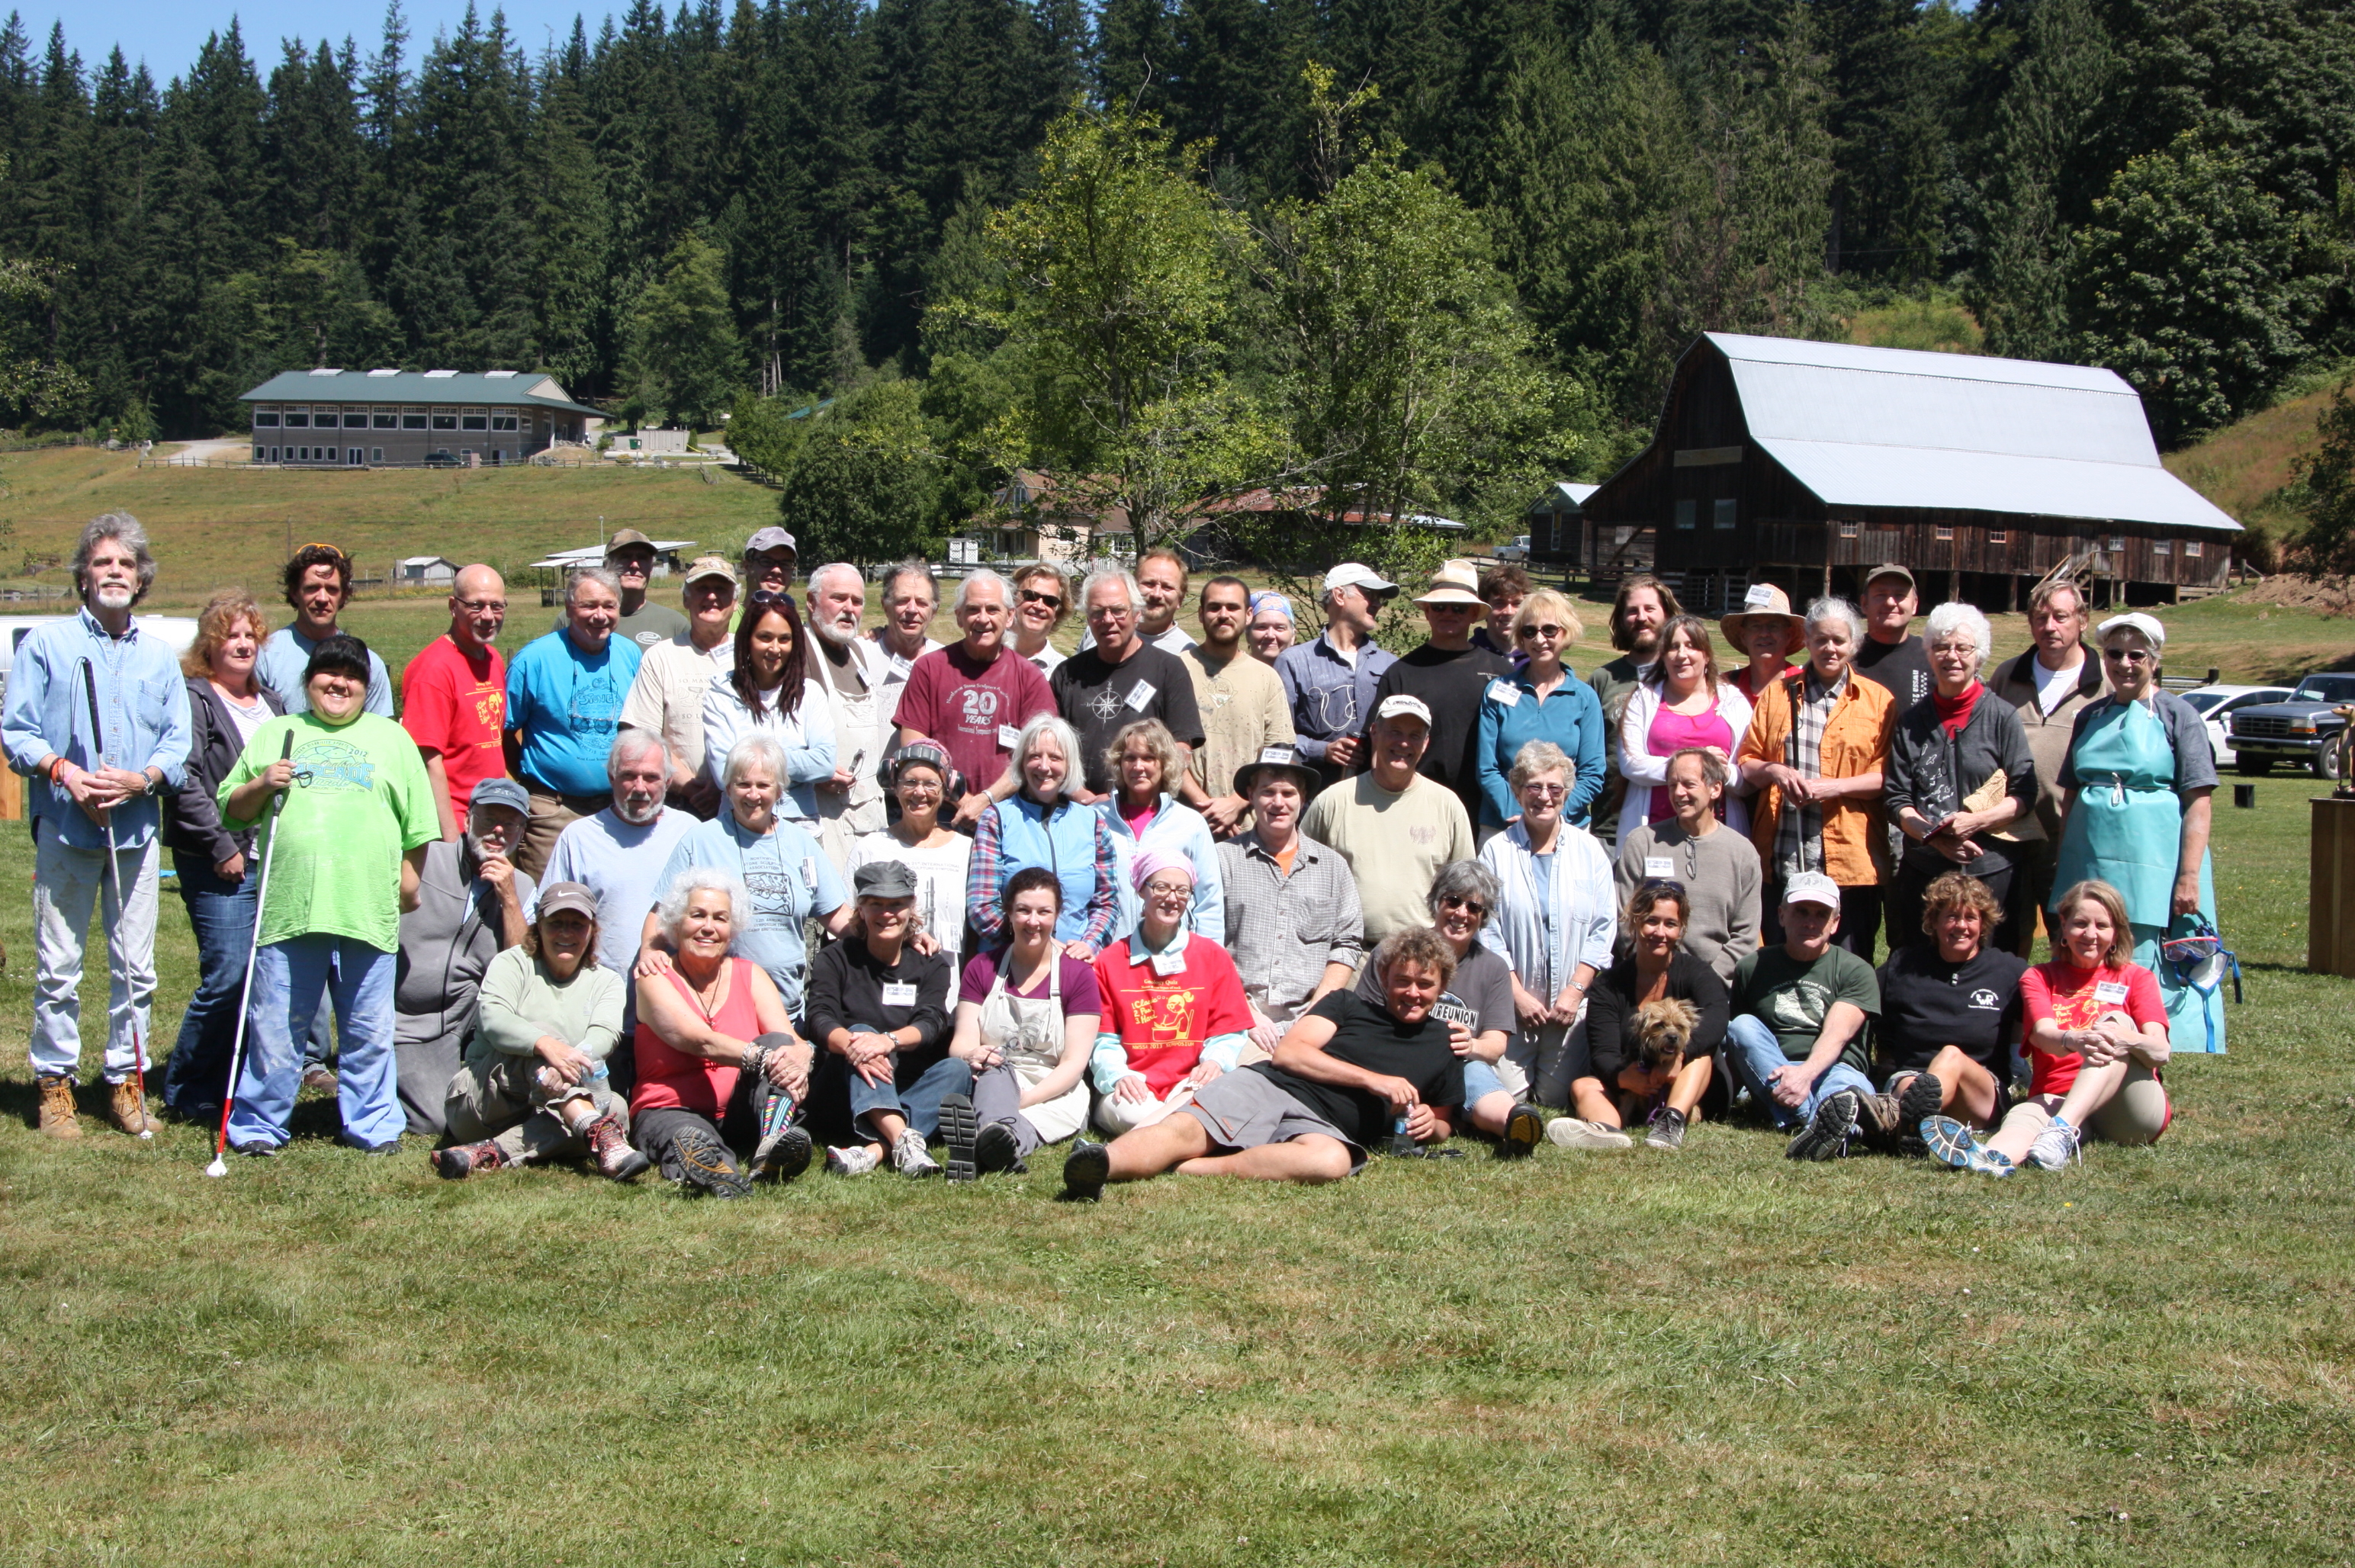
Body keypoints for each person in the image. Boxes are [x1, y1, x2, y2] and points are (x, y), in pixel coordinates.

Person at [5, 513, 192, 1137]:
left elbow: (177, 744)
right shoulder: (47, 647)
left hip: (135, 832)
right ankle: (55, 1085)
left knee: (136, 967)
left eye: (126, 565)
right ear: (84, 576)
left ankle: (124, 1080)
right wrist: (64, 772)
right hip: (66, 825)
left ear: (141, 581)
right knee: (59, 965)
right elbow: (15, 732)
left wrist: (142, 781)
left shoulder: (161, 660)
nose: (115, 572)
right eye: (103, 562)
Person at [217, 633, 436, 1154]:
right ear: (308, 680)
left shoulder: (392, 739)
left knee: (368, 1028)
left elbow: (419, 827)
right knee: (276, 1026)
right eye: (328, 674)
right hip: (291, 906)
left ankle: (372, 1125)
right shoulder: (279, 733)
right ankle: (257, 1127)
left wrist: (408, 885)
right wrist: (262, 783)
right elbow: (233, 809)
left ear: (367, 686)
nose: (340, 683)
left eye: (352, 676)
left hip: (366, 907)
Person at [1062, 926, 1466, 1194]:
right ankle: (1098, 1165)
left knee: (1331, 1161)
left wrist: (1433, 1125)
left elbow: (1445, 1119)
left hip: (1325, 1128)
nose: (1412, 992)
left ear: (1442, 985)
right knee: (1184, 1130)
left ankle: (1193, 1168)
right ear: (1385, 977)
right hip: (1272, 1087)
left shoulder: (1445, 1044)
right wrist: (1372, 1080)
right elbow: (1290, 1053)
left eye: (1425, 984)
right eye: (1402, 980)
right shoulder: (1347, 1005)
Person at [2051, 612, 2225, 1053]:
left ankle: (2154, 1034)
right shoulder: (2090, 715)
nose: (2125, 663)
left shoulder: (2179, 716)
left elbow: (2199, 799)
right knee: (2088, 935)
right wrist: (2062, 853)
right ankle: (2086, 1025)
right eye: (2114, 654)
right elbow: (2070, 791)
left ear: (2154, 659)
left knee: (2147, 941)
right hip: (2088, 853)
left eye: (2136, 654)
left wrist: (2187, 875)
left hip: (2156, 857)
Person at [1925, 879, 2171, 1175]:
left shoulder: (2136, 978)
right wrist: (2075, 1039)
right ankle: (1990, 1157)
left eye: (2102, 926)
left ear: (2116, 931)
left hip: (2128, 1109)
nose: (2090, 934)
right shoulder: (2039, 977)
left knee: (2114, 1024)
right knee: (2022, 1116)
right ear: (2064, 926)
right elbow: (2043, 1034)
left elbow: (2160, 1051)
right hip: (2057, 1096)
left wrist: (2125, 1040)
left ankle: (2061, 1131)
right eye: (2080, 923)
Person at [159, 590, 286, 1125]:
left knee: (264, 976)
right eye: (230, 635)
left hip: (273, 857)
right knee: (228, 974)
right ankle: (187, 1085)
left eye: (250, 635)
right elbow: (183, 780)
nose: (242, 644)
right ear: (209, 645)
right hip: (219, 859)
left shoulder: (274, 703)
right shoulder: (194, 699)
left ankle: (238, 1079)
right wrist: (221, 846)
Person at [430, 882, 646, 1182]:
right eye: (556, 923)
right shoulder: (511, 963)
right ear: (539, 926)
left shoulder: (606, 981)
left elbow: (606, 1033)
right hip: (482, 1102)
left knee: (617, 1109)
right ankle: (595, 1133)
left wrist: (569, 1059)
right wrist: (546, 1045)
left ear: (592, 930)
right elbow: (494, 1020)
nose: (566, 933)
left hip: (552, 1105)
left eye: (577, 924)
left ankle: (485, 1153)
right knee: (541, 1037)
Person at [646, 732, 852, 1022]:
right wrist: (649, 952)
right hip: (718, 1010)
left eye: (763, 785)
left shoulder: (801, 843)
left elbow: (838, 915)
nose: (753, 794)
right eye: (743, 784)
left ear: (780, 791)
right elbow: (660, 913)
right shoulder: (700, 840)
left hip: (789, 1009)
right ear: (728, 789)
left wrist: (896, 938)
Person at [629, 865, 809, 1196]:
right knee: (688, 1135)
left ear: (733, 928)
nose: (708, 927)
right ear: (676, 922)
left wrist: (800, 1055)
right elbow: (698, 1040)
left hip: (740, 1112)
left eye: (720, 918)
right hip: (670, 1109)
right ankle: (715, 1169)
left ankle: (772, 1144)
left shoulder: (750, 974)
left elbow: (789, 1039)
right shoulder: (654, 975)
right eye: (697, 915)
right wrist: (763, 1059)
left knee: (779, 1043)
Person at [1735, 596, 1895, 956]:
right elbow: (1748, 762)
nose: (1830, 648)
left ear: (1853, 645)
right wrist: (1774, 770)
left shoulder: (1877, 701)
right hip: (1784, 852)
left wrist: (1835, 787)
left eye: (1839, 640)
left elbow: (1887, 778)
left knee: (1849, 962)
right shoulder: (1778, 694)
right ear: (1807, 641)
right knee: (1780, 959)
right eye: (1821, 639)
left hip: (1850, 858)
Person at [1473, 741, 1615, 1146]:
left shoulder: (1590, 851)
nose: (1544, 796)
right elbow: (1489, 930)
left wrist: (1574, 993)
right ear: (1517, 790)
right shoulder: (1496, 851)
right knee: (1511, 1094)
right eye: (1533, 786)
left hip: (1568, 1010)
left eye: (1554, 787)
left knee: (1555, 1096)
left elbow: (1604, 928)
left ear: (1567, 792)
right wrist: (1515, 995)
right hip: (1513, 1010)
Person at [1884, 602, 2037, 953]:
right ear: (1930, 654)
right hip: (1925, 870)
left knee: (1994, 967)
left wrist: (1976, 821)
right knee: (1921, 963)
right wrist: (1934, 838)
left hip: (1993, 870)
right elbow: (1896, 800)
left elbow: (2026, 791)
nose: (1951, 656)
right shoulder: (1911, 722)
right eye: (1941, 647)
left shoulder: (2002, 717)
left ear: (1979, 656)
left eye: (1962, 647)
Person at [936, 868, 1102, 1180]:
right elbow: (961, 1042)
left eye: (1044, 911)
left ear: (1058, 914)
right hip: (993, 1076)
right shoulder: (981, 968)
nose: (1033, 921)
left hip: (1053, 1088)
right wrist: (974, 1056)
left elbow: (1074, 1063)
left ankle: (990, 1138)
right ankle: (1000, 1138)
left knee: (1029, 1120)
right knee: (997, 1068)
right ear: (1009, 913)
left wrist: (1023, 1101)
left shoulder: (1078, 975)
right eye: (1023, 910)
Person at [391, 777, 535, 1135]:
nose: (498, 832)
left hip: (470, 1021)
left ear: (522, 831)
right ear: (468, 820)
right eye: (488, 820)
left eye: (510, 823)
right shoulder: (422, 858)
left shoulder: (525, 886)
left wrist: (509, 898)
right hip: (409, 1021)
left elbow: (522, 967)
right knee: (437, 1121)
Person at [808, 860, 959, 1177]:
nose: (887, 913)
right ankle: (904, 1141)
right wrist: (857, 1046)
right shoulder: (835, 957)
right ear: (860, 909)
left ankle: (874, 1151)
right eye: (876, 904)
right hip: (843, 1089)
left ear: (911, 907)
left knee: (957, 1068)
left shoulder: (931, 965)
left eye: (896, 904)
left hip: (905, 1081)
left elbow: (932, 1023)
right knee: (860, 1033)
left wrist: (887, 1041)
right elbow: (819, 1019)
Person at [1086, 850, 1254, 1135]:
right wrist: (1119, 1075)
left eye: (1182, 890)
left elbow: (1228, 1030)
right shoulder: (1109, 961)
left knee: (1212, 1098)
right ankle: (1174, 1128)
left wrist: (1214, 1062)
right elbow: (1102, 1039)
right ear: (1141, 889)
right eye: (1161, 887)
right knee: (1135, 1115)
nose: (1172, 898)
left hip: (1191, 1081)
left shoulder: (1213, 956)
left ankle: (1161, 1132)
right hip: (1135, 1084)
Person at [1553, 881, 1729, 1152]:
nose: (1660, 932)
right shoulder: (1609, 984)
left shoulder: (1696, 972)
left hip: (1688, 1083)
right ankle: (1607, 1131)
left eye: (1670, 924)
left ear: (1681, 930)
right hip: (1630, 1081)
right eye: (1651, 921)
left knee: (1702, 1055)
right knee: (1582, 1084)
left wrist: (1681, 1055)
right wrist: (1624, 1077)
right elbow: (1603, 1052)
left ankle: (1671, 1122)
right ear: (1635, 924)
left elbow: (1718, 1018)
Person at [541, 731, 699, 1024]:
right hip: (597, 1010)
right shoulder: (579, 837)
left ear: (667, 782)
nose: (639, 787)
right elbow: (546, 919)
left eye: (651, 777)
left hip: (675, 1009)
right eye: (629, 776)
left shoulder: (690, 833)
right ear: (612, 778)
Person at [1867, 870, 2027, 1155]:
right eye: (1951, 916)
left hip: (1979, 1091)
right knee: (1914, 1083)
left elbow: (2046, 1016)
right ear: (1934, 922)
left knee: (1951, 1056)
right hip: (1911, 1077)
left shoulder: (2008, 971)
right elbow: (1860, 1002)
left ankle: (1892, 1124)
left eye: (1971, 917)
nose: (1961, 926)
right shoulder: (1904, 965)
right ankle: (1915, 1123)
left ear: (1984, 923)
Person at [1987, 580, 2106, 956]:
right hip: (2010, 833)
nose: (2050, 627)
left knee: (2071, 935)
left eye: (2061, 616)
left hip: (2071, 835)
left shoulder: (2104, 683)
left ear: (2082, 620)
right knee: (2006, 935)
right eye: (2040, 618)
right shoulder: (2007, 676)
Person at [1726, 873, 1881, 1161]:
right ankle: (1828, 1125)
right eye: (1801, 911)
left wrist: (1805, 1076)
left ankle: (1811, 1121)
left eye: (1821, 914)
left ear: (1835, 923)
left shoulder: (1856, 970)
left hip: (1835, 1068)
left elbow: (1838, 1035)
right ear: (1782, 915)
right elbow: (1742, 1045)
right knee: (1742, 1026)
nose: (1810, 922)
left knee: (1842, 1090)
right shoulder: (1752, 967)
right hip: (1775, 1072)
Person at [1218, 749, 1363, 1055]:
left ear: (1304, 797)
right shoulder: (1222, 860)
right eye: (1268, 792)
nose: (1278, 802)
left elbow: (1347, 943)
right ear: (1251, 795)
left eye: (1288, 792)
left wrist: (1316, 1015)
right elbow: (1205, 945)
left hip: (1312, 1020)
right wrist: (1246, 1014)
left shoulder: (1333, 867)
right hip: (1238, 1020)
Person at [1299, 695, 1476, 945]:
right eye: (1394, 731)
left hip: (1422, 955)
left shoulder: (1448, 806)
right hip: (1346, 953)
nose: (1403, 743)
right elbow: (1300, 875)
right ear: (1374, 732)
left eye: (1415, 735)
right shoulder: (1332, 801)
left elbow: (1466, 890)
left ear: (1426, 743)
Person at [504, 566, 645, 878]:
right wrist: (533, 781)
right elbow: (506, 729)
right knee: (547, 905)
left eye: (609, 606)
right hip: (551, 811)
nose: (600, 615)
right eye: (589, 605)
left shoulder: (630, 655)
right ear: (569, 608)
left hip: (615, 807)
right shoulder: (534, 659)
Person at [896, 568, 1055, 828]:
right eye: (973, 610)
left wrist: (987, 802)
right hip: (940, 815)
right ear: (959, 617)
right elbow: (915, 747)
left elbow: (1039, 754)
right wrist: (962, 800)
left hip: (1009, 816)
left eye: (993, 610)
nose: (983, 619)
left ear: (1010, 616)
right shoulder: (929, 669)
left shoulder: (1030, 677)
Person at [967, 715, 1121, 958]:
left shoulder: (1092, 823)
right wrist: (1037, 947)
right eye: (1035, 756)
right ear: (1021, 762)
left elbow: (1107, 902)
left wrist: (1090, 944)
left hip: (1075, 964)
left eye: (1055, 757)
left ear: (1069, 764)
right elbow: (981, 905)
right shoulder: (996, 818)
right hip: (1009, 962)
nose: (1044, 766)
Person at [1049, 567, 1207, 803]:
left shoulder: (1168, 669)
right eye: (1097, 612)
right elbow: (1051, 746)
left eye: (1118, 610)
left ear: (1137, 613)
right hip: (1076, 809)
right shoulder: (1067, 673)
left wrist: (1125, 795)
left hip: (1144, 810)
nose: (1108, 620)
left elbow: (1180, 749)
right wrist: (1081, 795)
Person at [1372, 558, 1511, 826]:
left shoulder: (1501, 672)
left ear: (1473, 613)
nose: (1448, 612)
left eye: (1459, 607)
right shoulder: (1401, 671)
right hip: (1414, 806)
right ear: (1427, 612)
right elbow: (1378, 745)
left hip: (1483, 808)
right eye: (1439, 606)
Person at [1614, 748, 1762, 986]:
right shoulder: (1642, 842)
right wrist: (1653, 972)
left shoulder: (1742, 853)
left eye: (1689, 784)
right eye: (1672, 785)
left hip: (1716, 988)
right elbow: (1624, 918)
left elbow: (1746, 935)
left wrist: (1705, 983)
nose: (1679, 793)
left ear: (1715, 788)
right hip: (1649, 982)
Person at [1614, 612, 1753, 843]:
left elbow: (1746, 781)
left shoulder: (1733, 701)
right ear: (1663, 656)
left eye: (1691, 646)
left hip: (1720, 835)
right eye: (1673, 647)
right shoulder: (1644, 699)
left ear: (1706, 655)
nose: (1682, 655)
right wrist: (1698, 764)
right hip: (1655, 833)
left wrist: (1723, 772)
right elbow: (1631, 764)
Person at [1474, 590, 1606, 834]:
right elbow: (1487, 767)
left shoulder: (1584, 698)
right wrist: (1516, 813)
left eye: (1549, 630)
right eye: (1530, 631)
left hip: (1566, 827)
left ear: (1565, 633)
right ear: (1521, 637)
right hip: (1503, 825)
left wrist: (1552, 814)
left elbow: (1593, 773)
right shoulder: (1498, 691)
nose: (1539, 639)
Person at [699, 589, 834, 824]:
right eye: (765, 637)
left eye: (784, 639)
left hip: (800, 824)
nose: (775, 648)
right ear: (747, 639)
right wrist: (799, 761)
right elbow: (724, 774)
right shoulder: (720, 696)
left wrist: (748, 763)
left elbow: (825, 764)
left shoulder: (810, 694)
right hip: (738, 825)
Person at [618, 554, 738, 818]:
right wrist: (690, 788)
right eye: (702, 589)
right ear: (686, 598)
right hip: (679, 805)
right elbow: (641, 736)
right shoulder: (661, 656)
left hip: (743, 803)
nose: (711, 597)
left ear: (735, 601)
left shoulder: (750, 655)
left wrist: (729, 788)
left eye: (721, 589)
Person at [400, 564, 510, 840]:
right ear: (453, 606)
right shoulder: (433, 670)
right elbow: (428, 762)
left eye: (497, 606)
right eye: (476, 605)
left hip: (490, 819)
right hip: (456, 824)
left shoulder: (493, 659)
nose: (488, 616)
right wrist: (450, 839)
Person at [1183, 575, 1294, 838]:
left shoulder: (1266, 677)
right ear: (1201, 614)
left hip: (1250, 827)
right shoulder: (1175, 669)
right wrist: (1206, 806)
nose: (1223, 615)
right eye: (1214, 607)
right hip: (1188, 821)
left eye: (1232, 607)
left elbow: (1279, 751)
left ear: (1248, 615)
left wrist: (1237, 800)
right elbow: (1164, 750)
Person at [848, 742, 974, 971]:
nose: (919, 792)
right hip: (880, 988)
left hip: (951, 994)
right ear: (894, 787)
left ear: (948, 790)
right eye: (910, 782)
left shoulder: (967, 851)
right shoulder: (869, 849)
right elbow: (850, 923)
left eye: (930, 784)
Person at [802, 563, 893, 869]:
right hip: (821, 810)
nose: (849, 609)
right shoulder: (799, 651)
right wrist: (815, 770)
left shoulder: (857, 649)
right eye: (839, 598)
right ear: (812, 602)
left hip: (866, 810)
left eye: (857, 601)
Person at [1276, 562, 1398, 789]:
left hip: (1376, 797)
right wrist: (1322, 751)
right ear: (1340, 595)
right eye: (1369, 594)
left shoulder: (1391, 665)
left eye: (1380, 597)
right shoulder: (1295, 661)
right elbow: (1276, 736)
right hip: (1314, 797)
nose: (1378, 603)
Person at [1101, 718, 1224, 942]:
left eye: (1149, 758)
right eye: (1130, 758)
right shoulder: (1096, 818)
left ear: (1165, 763)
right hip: (1109, 955)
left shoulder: (1190, 823)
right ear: (1119, 763)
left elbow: (1209, 901)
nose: (1138, 767)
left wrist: (1208, 957)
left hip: (1173, 955)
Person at [1586, 574, 1681, 845]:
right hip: (1610, 827)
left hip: (1673, 822)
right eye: (1632, 611)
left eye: (1650, 609)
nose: (1642, 617)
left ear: (1667, 614)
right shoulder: (1603, 679)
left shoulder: (1685, 676)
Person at [254, 542, 394, 716]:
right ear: (294, 593)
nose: (322, 598)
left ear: (343, 596)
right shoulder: (265, 656)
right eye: (312, 588)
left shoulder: (369, 664)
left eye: (332, 590)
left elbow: (380, 734)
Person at [1078, 545, 1196, 654]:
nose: (1156, 594)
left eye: (1167, 587)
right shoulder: (1098, 632)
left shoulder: (1188, 653)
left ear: (1180, 599)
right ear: (1133, 588)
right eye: (1149, 584)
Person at [1853, 563, 1933, 714]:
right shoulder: (1845, 657)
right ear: (1864, 604)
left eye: (1900, 595)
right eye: (1881, 594)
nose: (1890, 602)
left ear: (1915, 604)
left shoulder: (1932, 657)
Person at [598, 529, 691, 649]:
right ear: (607, 565)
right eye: (625, 557)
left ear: (651, 568)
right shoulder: (578, 619)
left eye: (642, 558)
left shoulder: (675, 624)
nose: (635, 565)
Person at [1719, 583, 1804, 703]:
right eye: (1756, 626)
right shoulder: (1725, 688)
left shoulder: (1804, 685)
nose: (1764, 633)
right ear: (1744, 636)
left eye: (1773, 626)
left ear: (1788, 636)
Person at [1011, 561, 1072, 674]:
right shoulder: (985, 657)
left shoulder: (1065, 673)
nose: (1039, 606)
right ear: (1012, 599)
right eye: (1030, 595)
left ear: (1057, 614)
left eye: (1050, 601)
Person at [1473, 564, 1531, 660]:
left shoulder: (1534, 657)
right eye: (1499, 603)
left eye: (1517, 604)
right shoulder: (1470, 655)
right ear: (1485, 606)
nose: (1509, 612)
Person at [740, 525, 798, 599]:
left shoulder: (795, 610)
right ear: (747, 566)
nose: (777, 570)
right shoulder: (727, 610)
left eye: (785, 564)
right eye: (767, 562)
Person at [1246, 591, 1295, 664]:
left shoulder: (1303, 674)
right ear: (1248, 635)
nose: (1270, 635)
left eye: (1279, 628)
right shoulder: (1234, 674)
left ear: (1293, 636)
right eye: (1262, 627)